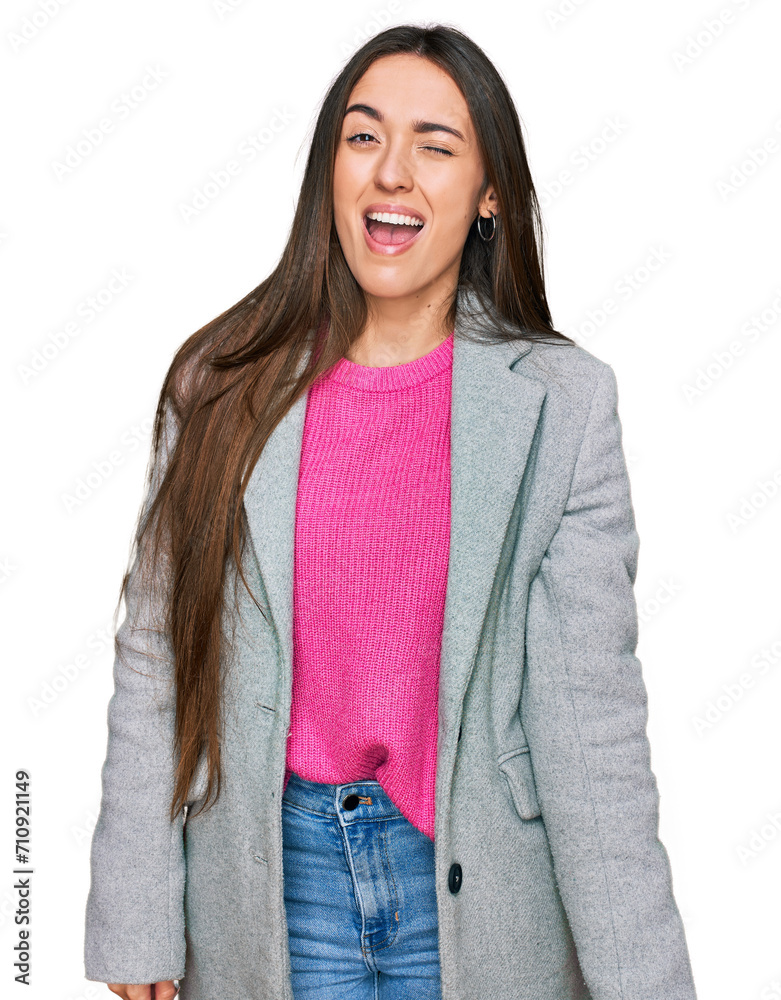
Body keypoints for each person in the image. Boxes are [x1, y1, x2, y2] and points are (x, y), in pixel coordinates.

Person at [83, 22, 698, 1000]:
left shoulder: (563, 405)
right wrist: (135, 917)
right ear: (330, 169)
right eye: (363, 138)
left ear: (489, 192)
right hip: (269, 894)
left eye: (436, 146)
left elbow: (592, 723)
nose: (392, 174)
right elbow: (156, 651)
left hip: (484, 902)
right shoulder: (220, 386)